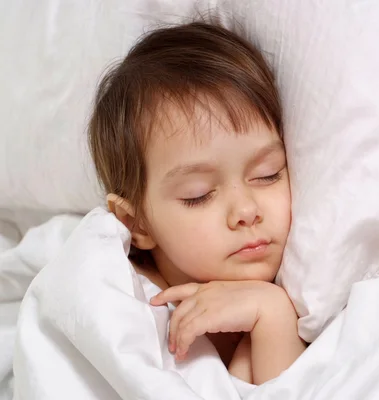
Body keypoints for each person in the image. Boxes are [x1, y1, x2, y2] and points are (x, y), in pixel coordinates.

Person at [87, 20, 305, 385]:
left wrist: (273, 314)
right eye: (198, 194)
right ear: (135, 223)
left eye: (267, 173)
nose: (247, 211)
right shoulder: (124, 303)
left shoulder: (296, 290)